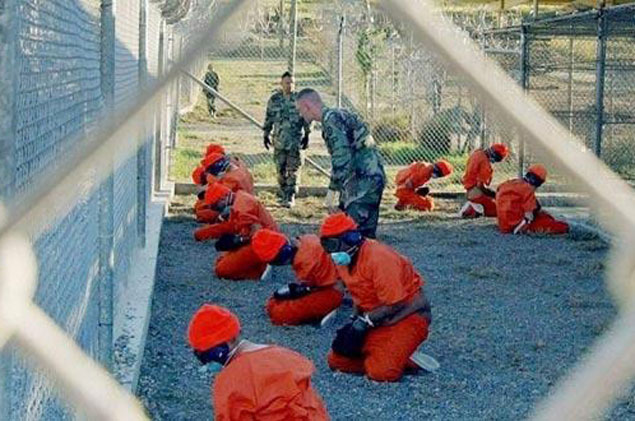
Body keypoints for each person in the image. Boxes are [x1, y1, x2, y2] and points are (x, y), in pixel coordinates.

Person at [319, 213, 431, 382]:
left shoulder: (379, 258)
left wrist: (365, 321)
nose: (331, 252)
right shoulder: (345, 260)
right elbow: (358, 291)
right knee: (337, 361)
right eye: (326, 245)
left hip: (406, 315)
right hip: (378, 317)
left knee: (382, 373)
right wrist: (355, 320)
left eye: (333, 244)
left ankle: (399, 356)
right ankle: (389, 353)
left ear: (351, 238)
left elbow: (396, 303)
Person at [187, 304, 330, 420]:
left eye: (206, 355)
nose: (205, 363)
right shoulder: (286, 355)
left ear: (225, 344)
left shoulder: (229, 381)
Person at [296, 89, 386, 238]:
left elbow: (342, 158)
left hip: (363, 181)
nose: (300, 114)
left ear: (307, 106)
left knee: (352, 235)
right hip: (372, 176)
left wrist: (333, 192)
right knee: (365, 236)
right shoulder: (338, 114)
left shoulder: (330, 121)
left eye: (300, 110)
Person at [252, 229, 344, 326]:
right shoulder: (305, 240)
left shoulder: (307, 263)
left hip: (333, 290)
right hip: (326, 284)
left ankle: (327, 310)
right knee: (276, 301)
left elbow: (332, 286)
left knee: (279, 313)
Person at [194, 183, 279, 280]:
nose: (217, 210)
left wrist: (238, 240)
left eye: (216, 206)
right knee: (220, 260)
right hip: (263, 240)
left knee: (221, 270)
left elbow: (257, 232)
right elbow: (235, 225)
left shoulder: (242, 206)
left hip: (264, 243)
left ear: (223, 198)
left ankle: (261, 269)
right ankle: (260, 264)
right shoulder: (239, 199)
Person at [263, 71, 311, 208]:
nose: (289, 85)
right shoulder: (274, 100)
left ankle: (290, 196)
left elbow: (307, 119)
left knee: (293, 170)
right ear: (281, 83)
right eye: (287, 83)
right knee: (280, 170)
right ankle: (284, 194)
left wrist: (307, 135)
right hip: (279, 141)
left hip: (295, 142)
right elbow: (269, 117)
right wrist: (266, 134)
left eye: (292, 83)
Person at [496, 164, 570, 235]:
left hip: (503, 225)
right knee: (560, 226)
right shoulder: (528, 190)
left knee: (543, 216)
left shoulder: (510, 183)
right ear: (538, 183)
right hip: (516, 226)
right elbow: (529, 216)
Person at [459, 143, 509, 218]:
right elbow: (481, 186)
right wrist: (495, 195)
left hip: (470, 190)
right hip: (477, 193)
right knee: (500, 210)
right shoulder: (485, 163)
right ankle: (473, 208)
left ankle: (476, 207)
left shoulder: (478, 153)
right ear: (495, 155)